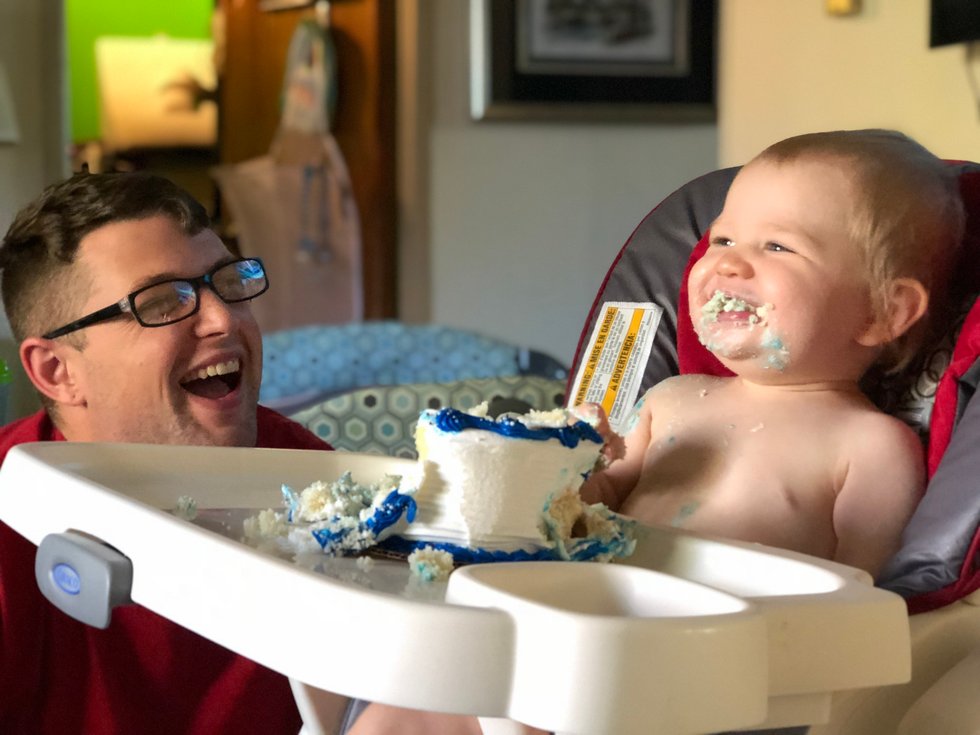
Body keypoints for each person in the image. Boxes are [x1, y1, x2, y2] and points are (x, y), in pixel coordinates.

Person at [0, 170, 336, 733]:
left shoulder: (321, 487)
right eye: (160, 303)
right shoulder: (9, 517)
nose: (223, 319)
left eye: (228, 282)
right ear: (57, 371)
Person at [580, 129, 966, 580]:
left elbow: (866, 596)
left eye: (777, 246)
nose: (728, 262)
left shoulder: (869, 446)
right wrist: (576, 464)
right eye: (723, 240)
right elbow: (590, 511)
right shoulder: (667, 400)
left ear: (881, 312)